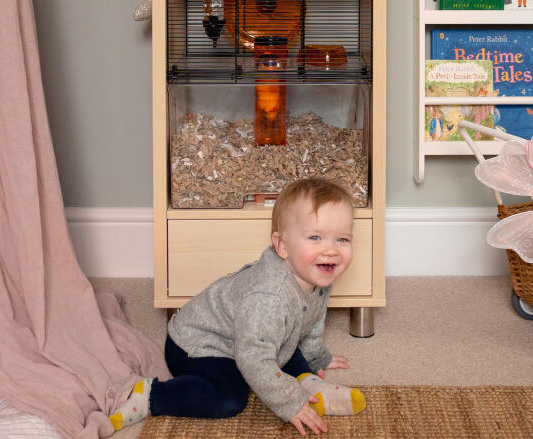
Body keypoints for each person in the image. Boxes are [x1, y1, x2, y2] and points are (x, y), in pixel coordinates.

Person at [109, 178, 365, 435]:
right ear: (282, 246)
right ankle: (153, 395)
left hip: (248, 336)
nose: (331, 250)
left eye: (342, 239)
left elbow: (310, 320)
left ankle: (307, 381)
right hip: (197, 344)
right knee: (229, 397)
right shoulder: (269, 297)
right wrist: (290, 404)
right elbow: (252, 357)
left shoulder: (315, 273)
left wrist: (316, 357)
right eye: (316, 237)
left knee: (285, 343)